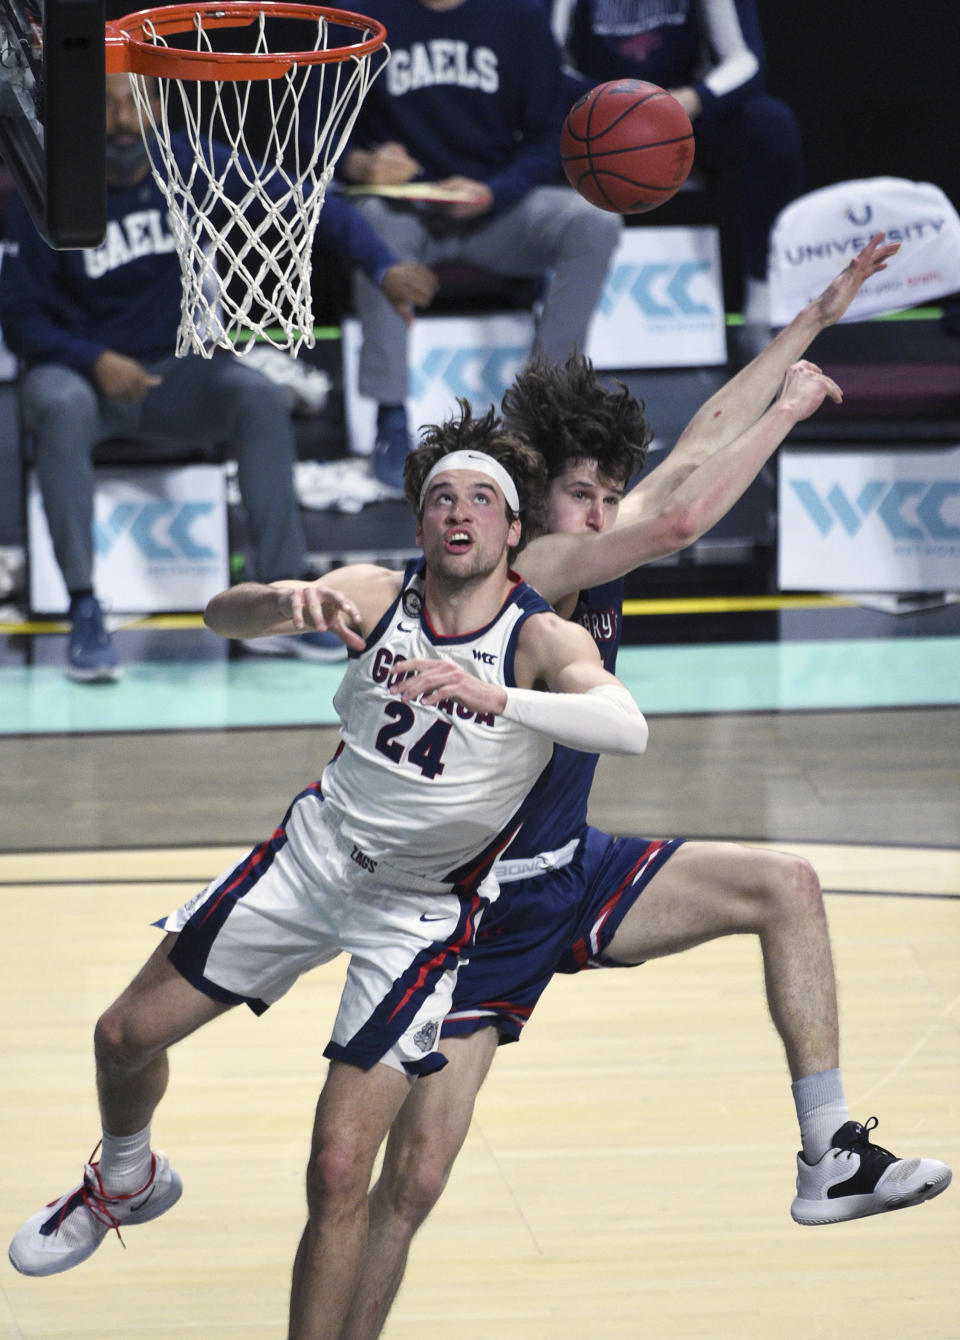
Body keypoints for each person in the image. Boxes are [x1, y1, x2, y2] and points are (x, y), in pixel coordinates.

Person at [336, 234, 953, 1338]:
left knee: (787, 885)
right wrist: (791, 414)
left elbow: (692, 448)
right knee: (414, 1178)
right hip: (475, 912)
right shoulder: (529, 566)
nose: (599, 511)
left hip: (572, 866)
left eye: (604, 492)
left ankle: (830, 1154)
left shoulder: (590, 528)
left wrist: (814, 317)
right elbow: (677, 514)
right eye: (582, 491)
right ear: (528, 500)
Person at [7, 406, 653, 1340]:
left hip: (419, 912)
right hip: (313, 856)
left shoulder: (540, 642)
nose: (458, 511)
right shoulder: (373, 589)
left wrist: (499, 697)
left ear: (516, 529)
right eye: (440, 497)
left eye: (482, 497)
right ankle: (125, 1175)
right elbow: (216, 616)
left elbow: (627, 728)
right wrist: (279, 601)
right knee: (121, 1035)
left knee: (340, 1171)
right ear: (421, 521)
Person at [0, 72, 437, 682]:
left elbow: (307, 201)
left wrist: (384, 266)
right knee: (56, 401)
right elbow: (19, 321)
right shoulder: (45, 185)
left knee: (256, 396)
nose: (124, 121)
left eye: (136, 105)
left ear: (157, 110)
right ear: (81, 114)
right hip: (87, 381)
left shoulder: (187, 163)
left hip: (174, 375)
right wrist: (91, 360)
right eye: (107, 106)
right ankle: (84, 607)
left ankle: (287, 600)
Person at [338, 0, 623, 490]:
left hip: (494, 209)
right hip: (405, 211)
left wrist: (496, 191)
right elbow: (310, 132)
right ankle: (389, 416)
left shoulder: (521, 17)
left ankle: (544, 408)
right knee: (375, 222)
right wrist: (360, 165)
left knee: (595, 220)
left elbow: (547, 136)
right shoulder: (361, 14)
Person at [554, 0, 803, 358]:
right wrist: (612, 104)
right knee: (532, 142)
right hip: (594, 117)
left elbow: (746, 61)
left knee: (772, 127)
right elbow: (545, 60)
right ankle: (538, 314)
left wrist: (693, 98)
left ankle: (762, 309)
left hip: (680, 114)